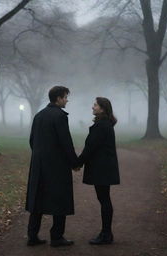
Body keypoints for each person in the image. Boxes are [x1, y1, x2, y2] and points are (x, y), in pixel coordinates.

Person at [25, 86, 80, 247]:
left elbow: (32, 140)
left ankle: (32, 236)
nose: (67, 100)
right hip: (57, 166)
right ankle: (56, 237)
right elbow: (65, 142)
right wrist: (74, 163)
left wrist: (39, 156)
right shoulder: (60, 116)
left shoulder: (39, 115)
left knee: (37, 199)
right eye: (65, 97)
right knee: (60, 200)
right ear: (58, 98)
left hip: (38, 165)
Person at [78, 97, 120, 245]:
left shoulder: (102, 126)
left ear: (102, 108)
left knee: (104, 200)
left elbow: (90, 148)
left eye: (95, 105)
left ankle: (106, 234)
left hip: (102, 169)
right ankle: (106, 233)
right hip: (104, 168)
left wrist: (78, 163)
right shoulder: (104, 124)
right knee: (104, 199)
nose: (92, 107)